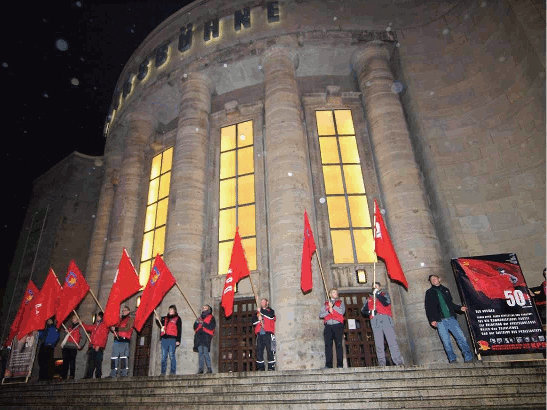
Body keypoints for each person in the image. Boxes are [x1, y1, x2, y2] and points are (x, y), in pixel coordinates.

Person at [425, 275, 473, 363]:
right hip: (440, 321)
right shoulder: (429, 292)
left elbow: (450, 304)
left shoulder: (445, 290)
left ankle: (468, 358)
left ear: (439, 279)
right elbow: (428, 308)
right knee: (446, 342)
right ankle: (452, 359)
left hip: (451, 318)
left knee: (461, 338)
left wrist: (459, 308)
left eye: (435, 278)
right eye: (432, 280)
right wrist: (431, 320)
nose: (433, 280)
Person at [361, 282, 404, 366]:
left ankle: (398, 361)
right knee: (378, 342)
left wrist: (378, 294)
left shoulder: (384, 294)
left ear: (380, 288)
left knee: (391, 341)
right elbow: (363, 310)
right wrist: (371, 311)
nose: (375, 287)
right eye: (373, 287)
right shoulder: (369, 298)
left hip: (385, 318)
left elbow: (386, 302)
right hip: (375, 320)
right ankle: (381, 363)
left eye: (376, 286)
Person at [319, 288, 345, 368]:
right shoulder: (325, 304)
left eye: (336, 292)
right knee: (328, 346)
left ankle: (340, 365)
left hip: (338, 326)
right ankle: (328, 365)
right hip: (328, 326)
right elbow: (321, 315)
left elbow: (341, 312)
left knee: (339, 345)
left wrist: (332, 307)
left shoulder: (340, 303)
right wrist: (328, 311)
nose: (336, 293)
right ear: (330, 294)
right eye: (334, 292)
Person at [82, 311, 109, 379]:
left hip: (98, 347)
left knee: (98, 362)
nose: (96, 317)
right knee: (91, 362)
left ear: (100, 317)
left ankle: (98, 376)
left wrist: (99, 345)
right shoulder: (95, 325)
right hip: (92, 346)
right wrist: (81, 323)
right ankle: (89, 375)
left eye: (97, 316)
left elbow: (104, 337)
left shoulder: (104, 326)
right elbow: (88, 328)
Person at [109, 305, 134, 378]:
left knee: (123, 357)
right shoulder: (119, 320)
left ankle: (123, 373)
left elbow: (127, 328)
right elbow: (115, 328)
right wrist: (112, 328)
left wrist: (116, 328)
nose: (123, 312)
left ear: (128, 312)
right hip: (117, 340)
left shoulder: (131, 319)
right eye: (122, 311)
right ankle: (113, 373)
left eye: (125, 310)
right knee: (114, 357)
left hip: (124, 340)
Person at [252, 298, 276, 371]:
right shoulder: (257, 313)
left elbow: (270, 316)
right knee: (259, 351)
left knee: (270, 351)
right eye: (261, 302)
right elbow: (253, 322)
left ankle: (271, 367)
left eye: (263, 301)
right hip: (260, 334)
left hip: (269, 334)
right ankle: (260, 367)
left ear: (267, 302)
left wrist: (261, 311)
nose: (262, 303)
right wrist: (258, 318)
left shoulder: (270, 311)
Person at [60, 315, 86, 380]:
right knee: (65, 361)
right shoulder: (70, 327)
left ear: (77, 319)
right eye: (72, 318)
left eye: (74, 318)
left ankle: (71, 376)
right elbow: (64, 337)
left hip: (73, 347)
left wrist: (81, 344)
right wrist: (65, 332)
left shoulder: (80, 327)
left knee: (72, 362)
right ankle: (64, 376)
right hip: (66, 346)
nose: (72, 319)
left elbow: (84, 337)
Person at [158, 305, 182, 376]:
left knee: (172, 355)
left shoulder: (177, 318)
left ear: (175, 311)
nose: (170, 311)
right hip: (164, 338)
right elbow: (160, 324)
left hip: (172, 339)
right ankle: (163, 372)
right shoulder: (165, 318)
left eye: (172, 310)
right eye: (169, 310)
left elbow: (179, 330)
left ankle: (172, 372)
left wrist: (178, 340)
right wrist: (157, 319)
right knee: (163, 356)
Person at [194, 305, 216, 374]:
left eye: (205, 307)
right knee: (200, 353)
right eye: (203, 308)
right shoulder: (199, 317)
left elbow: (212, 326)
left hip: (206, 336)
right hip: (200, 336)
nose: (204, 309)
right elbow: (195, 327)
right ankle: (201, 369)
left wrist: (203, 323)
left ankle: (209, 368)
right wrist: (197, 322)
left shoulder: (211, 317)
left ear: (209, 309)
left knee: (205, 352)